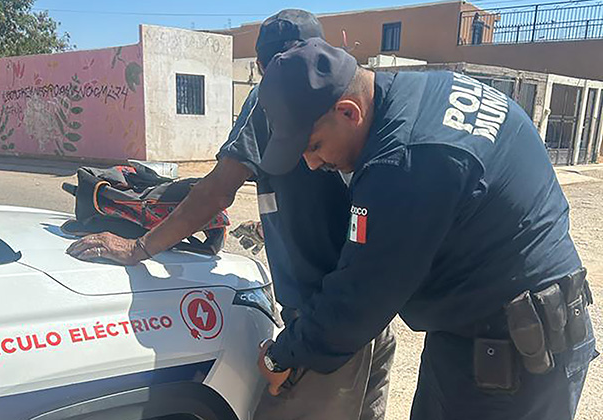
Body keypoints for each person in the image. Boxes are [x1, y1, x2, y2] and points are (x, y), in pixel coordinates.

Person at [66, 9, 395, 420]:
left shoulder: (275, 95)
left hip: (324, 322)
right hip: (373, 311)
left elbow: (217, 191)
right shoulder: (360, 95)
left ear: (264, 68)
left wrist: (138, 247)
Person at [254, 37, 597, 420]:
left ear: (349, 112)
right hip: (494, 333)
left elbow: (360, 298)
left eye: (314, 146)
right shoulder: (427, 89)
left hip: (514, 362)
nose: (313, 164)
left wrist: (284, 353)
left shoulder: (404, 161)